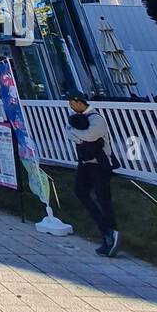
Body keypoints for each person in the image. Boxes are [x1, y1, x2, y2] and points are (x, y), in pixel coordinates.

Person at [65, 91, 119, 256]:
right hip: (85, 163)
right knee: (80, 191)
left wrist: (78, 137)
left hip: (99, 165)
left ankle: (111, 233)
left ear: (79, 101)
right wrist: (79, 137)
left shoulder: (97, 119)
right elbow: (68, 132)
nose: (69, 105)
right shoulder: (75, 118)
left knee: (104, 198)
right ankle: (104, 227)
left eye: (71, 102)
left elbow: (89, 136)